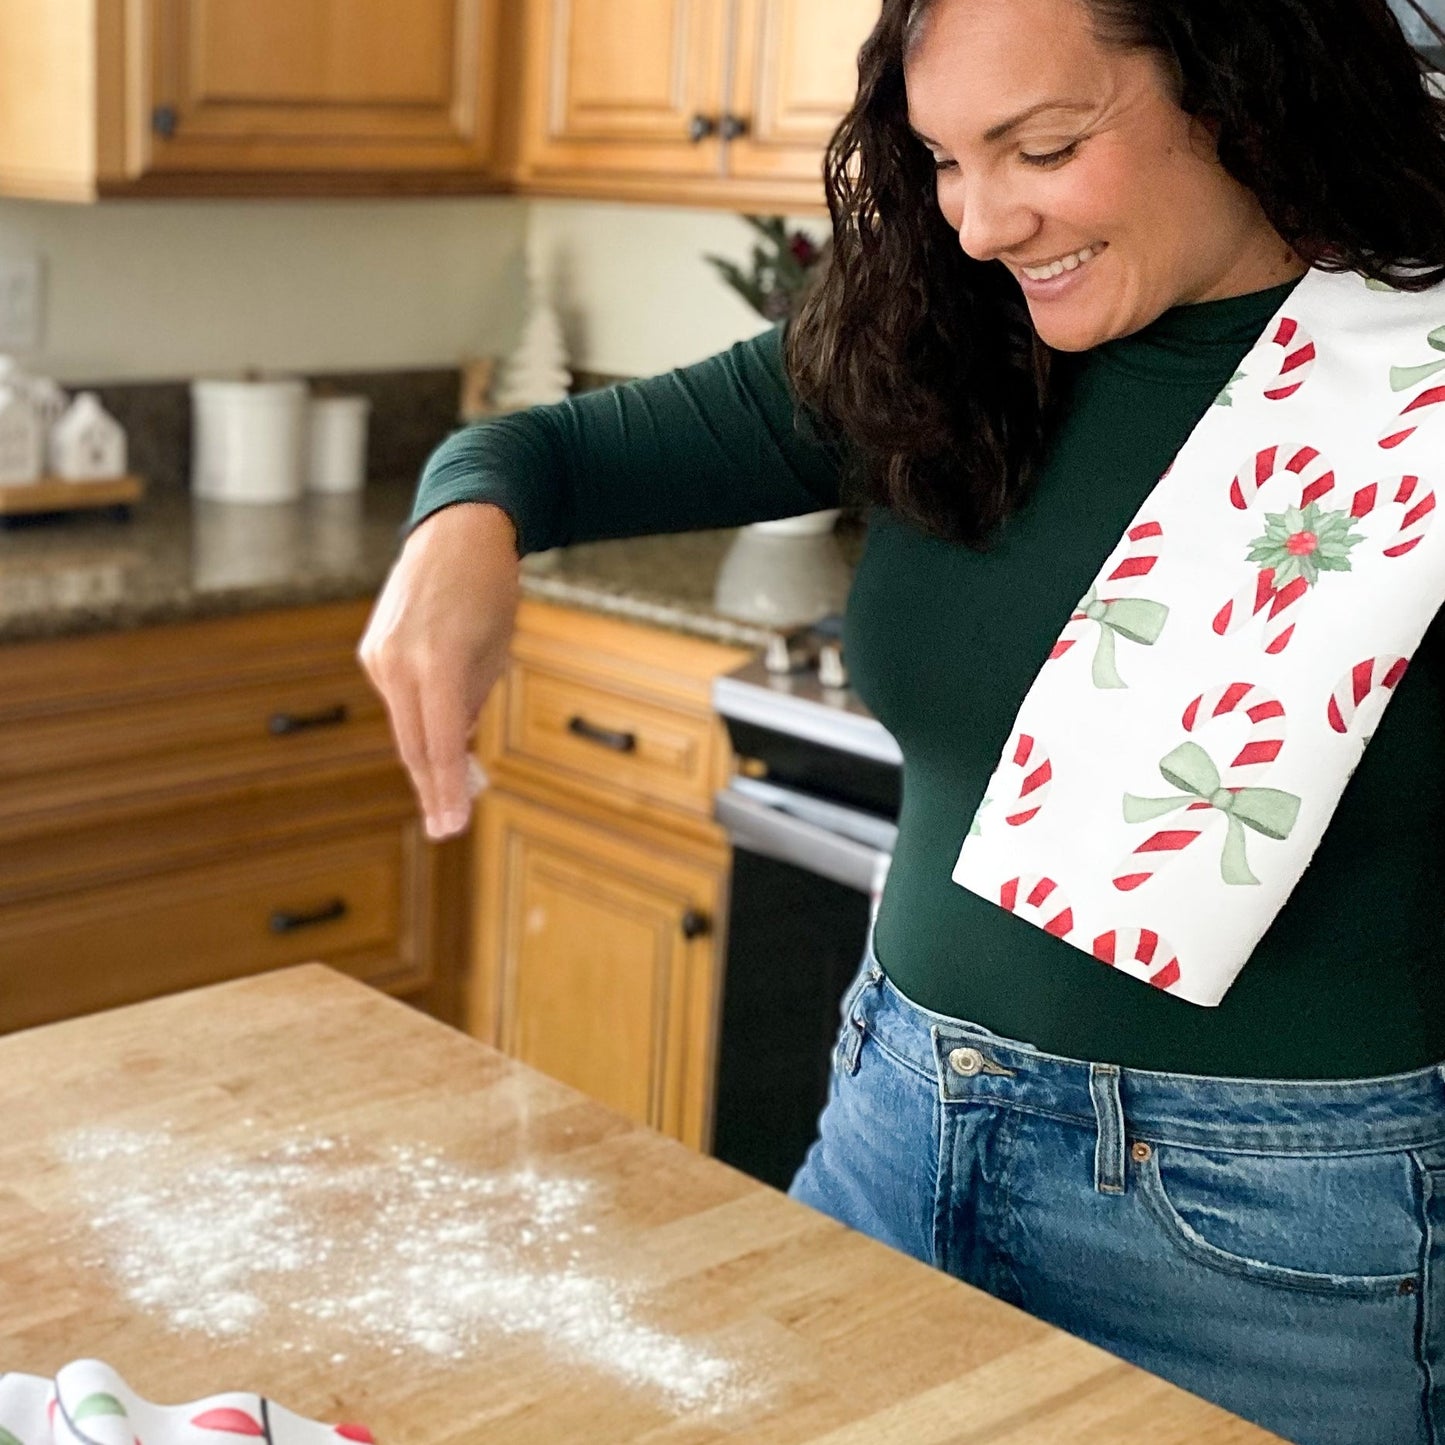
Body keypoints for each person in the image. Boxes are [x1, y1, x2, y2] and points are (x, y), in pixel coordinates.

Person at [359, 1, 1445, 1440]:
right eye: (939, 159)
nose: (980, 220)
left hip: (1277, 1245)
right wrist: (462, 529)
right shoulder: (940, 335)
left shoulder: (1415, 369)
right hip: (896, 1122)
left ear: (1239, 86)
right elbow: (537, 449)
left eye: (1040, 147)